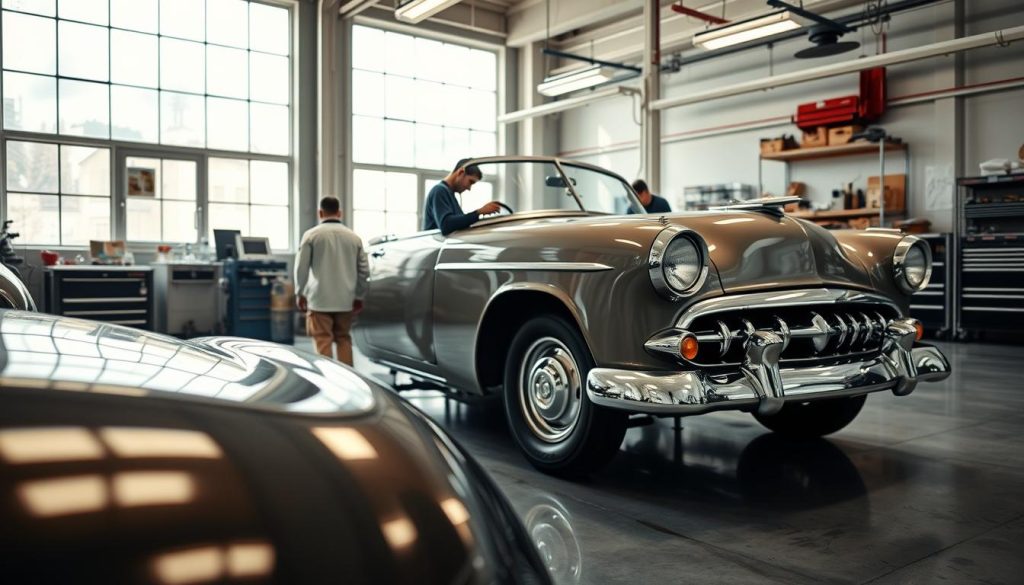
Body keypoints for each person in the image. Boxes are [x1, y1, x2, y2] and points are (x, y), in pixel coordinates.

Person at [294, 196, 369, 366]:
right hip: (346, 300)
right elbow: (364, 271)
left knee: (323, 340)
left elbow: (301, 269)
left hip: (319, 300)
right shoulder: (354, 238)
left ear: (320, 212)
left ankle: (329, 383)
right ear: (339, 212)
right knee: (343, 339)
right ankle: (350, 381)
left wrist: (300, 293)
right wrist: (359, 296)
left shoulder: (311, 236)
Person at [424, 158, 503, 236]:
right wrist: (479, 212)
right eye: (470, 182)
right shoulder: (439, 191)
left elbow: (459, 224)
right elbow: (446, 225)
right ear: (461, 172)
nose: (469, 188)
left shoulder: (449, 194)